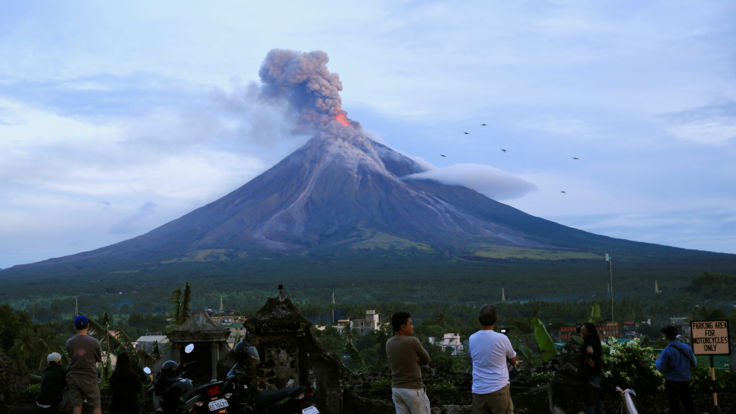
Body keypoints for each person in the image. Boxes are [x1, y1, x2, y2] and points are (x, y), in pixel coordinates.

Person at [468, 304, 517, 414]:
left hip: (478, 391)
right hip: (498, 388)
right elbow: (513, 360)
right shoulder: (502, 339)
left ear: (479, 320)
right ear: (495, 320)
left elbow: (471, 360)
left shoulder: (472, 338)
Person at [385, 312, 431, 414]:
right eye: (410, 324)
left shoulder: (389, 342)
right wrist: (418, 358)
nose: (412, 326)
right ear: (402, 327)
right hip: (413, 389)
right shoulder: (412, 341)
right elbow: (427, 359)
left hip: (397, 389)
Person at [656, 326, 697, 414]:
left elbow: (661, 368)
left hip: (672, 381)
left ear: (666, 336)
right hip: (685, 380)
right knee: (688, 404)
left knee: (674, 405)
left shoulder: (667, 351)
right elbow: (694, 363)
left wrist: (657, 361)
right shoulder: (687, 348)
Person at [66, 315, 102, 414]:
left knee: (77, 406)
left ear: (75, 326)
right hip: (89, 377)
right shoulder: (94, 342)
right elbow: (99, 358)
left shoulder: (69, 342)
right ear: (88, 325)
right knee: (96, 406)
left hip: (73, 377)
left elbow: (71, 357)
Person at [579, 323, 603, 414]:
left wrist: (588, 360)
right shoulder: (595, 341)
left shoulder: (588, 342)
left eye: (583, 330)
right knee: (597, 398)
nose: (581, 332)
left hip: (590, 374)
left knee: (590, 400)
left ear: (588, 333)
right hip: (596, 373)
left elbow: (590, 351)